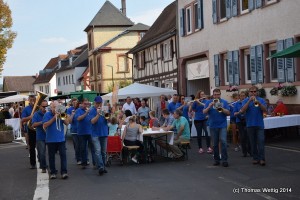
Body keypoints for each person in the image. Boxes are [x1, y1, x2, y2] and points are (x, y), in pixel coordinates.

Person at [240, 86, 267, 166]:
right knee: (253, 143)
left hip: (259, 124)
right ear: (249, 93)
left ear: (257, 92)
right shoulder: (245, 100)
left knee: (261, 142)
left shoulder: (261, 100)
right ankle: (255, 158)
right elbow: (242, 110)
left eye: (254, 91)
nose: (253, 93)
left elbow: (265, 109)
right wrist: (249, 101)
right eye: (251, 92)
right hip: (250, 124)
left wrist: (258, 103)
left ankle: (262, 159)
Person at [203, 88, 230, 167]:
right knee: (215, 144)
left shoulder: (224, 102)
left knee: (224, 142)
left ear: (220, 95)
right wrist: (209, 106)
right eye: (215, 94)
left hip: (222, 125)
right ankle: (216, 159)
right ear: (213, 95)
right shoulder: (208, 102)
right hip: (213, 125)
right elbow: (204, 112)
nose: (216, 96)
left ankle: (224, 160)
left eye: (218, 94)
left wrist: (222, 108)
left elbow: (228, 113)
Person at [43, 101, 69, 179]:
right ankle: (53, 172)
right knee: (51, 157)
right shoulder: (47, 114)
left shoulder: (61, 113)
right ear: (51, 107)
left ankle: (64, 172)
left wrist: (62, 117)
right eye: (54, 107)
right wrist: (54, 118)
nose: (55, 109)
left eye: (57, 107)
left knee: (63, 156)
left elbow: (67, 123)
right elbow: (45, 125)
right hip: (50, 140)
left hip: (61, 139)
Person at [90, 96, 109, 175]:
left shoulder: (104, 109)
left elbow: (108, 120)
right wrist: (98, 114)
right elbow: (92, 121)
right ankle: (100, 166)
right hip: (95, 134)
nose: (99, 105)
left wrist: (106, 115)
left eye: (100, 103)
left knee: (103, 152)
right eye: (97, 103)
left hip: (103, 132)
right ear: (94, 103)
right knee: (98, 151)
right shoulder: (92, 111)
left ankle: (103, 166)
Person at [75, 98, 95, 169]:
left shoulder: (91, 111)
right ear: (81, 104)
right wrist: (86, 113)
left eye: (87, 104)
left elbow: (92, 120)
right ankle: (84, 162)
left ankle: (95, 163)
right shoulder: (79, 110)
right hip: (81, 133)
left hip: (90, 131)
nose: (86, 105)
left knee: (93, 148)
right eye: (85, 104)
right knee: (83, 148)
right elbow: (78, 118)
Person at [32, 100, 48, 173]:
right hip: (40, 136)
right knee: (42, 153)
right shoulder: (36, 114)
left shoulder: (49, 113)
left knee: (50, 153)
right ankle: (43, 167)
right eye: (43, 106)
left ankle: (50, 167)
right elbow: (33, 125)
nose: (45, 108)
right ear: (40, 106)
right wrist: (43, 122)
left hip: (49, 136)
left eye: (46, 106)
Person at [21, 95, 37, 169]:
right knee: (32, 147)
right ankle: (33, 163)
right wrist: (29, 117)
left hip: (39, 129)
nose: (32, 101)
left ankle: (42, 161)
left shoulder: (38, 107)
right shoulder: (26, 109)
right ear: (28, 100)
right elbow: (23, 119)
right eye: (31, 99)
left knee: (41, 146)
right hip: (30, 130)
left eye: (34, 99)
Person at [233, 91, 250, 157]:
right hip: (239, 121)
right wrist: (239, 115)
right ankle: (244, 152)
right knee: (242, 137)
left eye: (244, 96)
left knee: (248, 136)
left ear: (245, 96)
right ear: (239, 96)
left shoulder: (248, 103)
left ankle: (249, 150)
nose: (242, 97)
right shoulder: (237, 104)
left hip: (247, 120)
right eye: (241, 96)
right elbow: (234, 113)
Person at [67, 98, 81, 165]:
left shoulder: (80, 108)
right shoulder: (69, 109)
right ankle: (78, 158)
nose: (75, 103)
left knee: (82, 145)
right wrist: (72, 114)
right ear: (72, 103)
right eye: (74, 102)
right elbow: (69, 121)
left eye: (76, 102)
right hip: (74, 130)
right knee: (77, 145)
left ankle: (84, 158)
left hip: (81, 129)